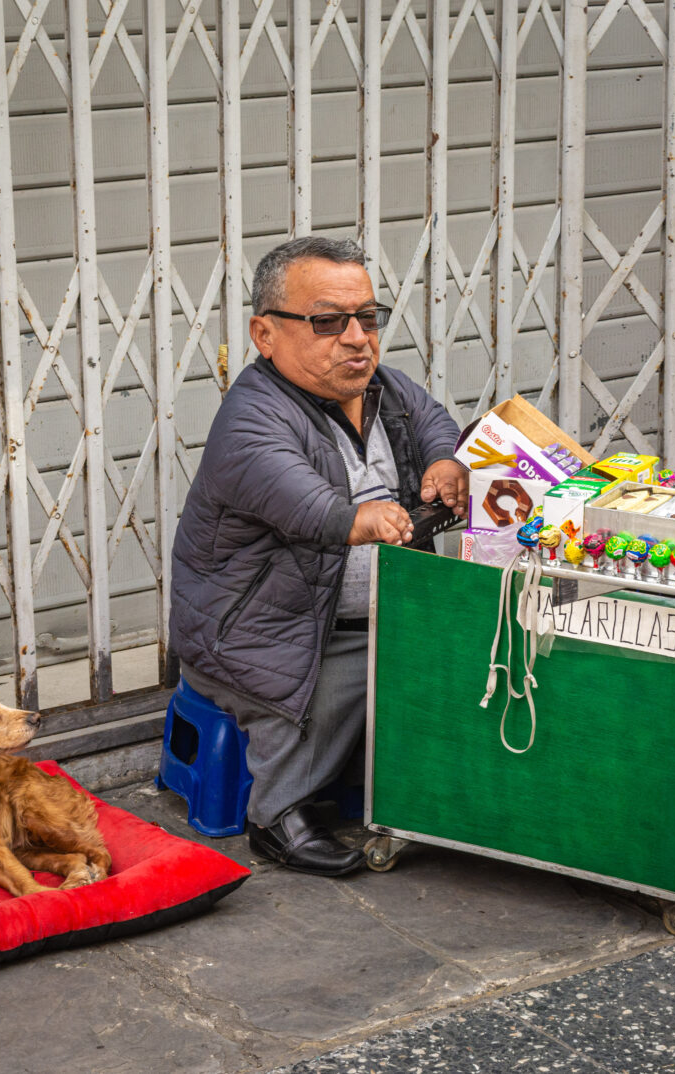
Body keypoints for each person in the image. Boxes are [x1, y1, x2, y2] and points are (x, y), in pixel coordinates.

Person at [170, 236, 467, 876]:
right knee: (332, 688)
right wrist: (363, 518)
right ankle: (277, 817)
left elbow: (433, 419)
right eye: (328, 322)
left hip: (371, 614)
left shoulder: (382, 387)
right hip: (265, 634)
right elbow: (305, 503)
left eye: (367, 318)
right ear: (265, 334)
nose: (357, 338)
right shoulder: (251, 417)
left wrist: (445, 461)